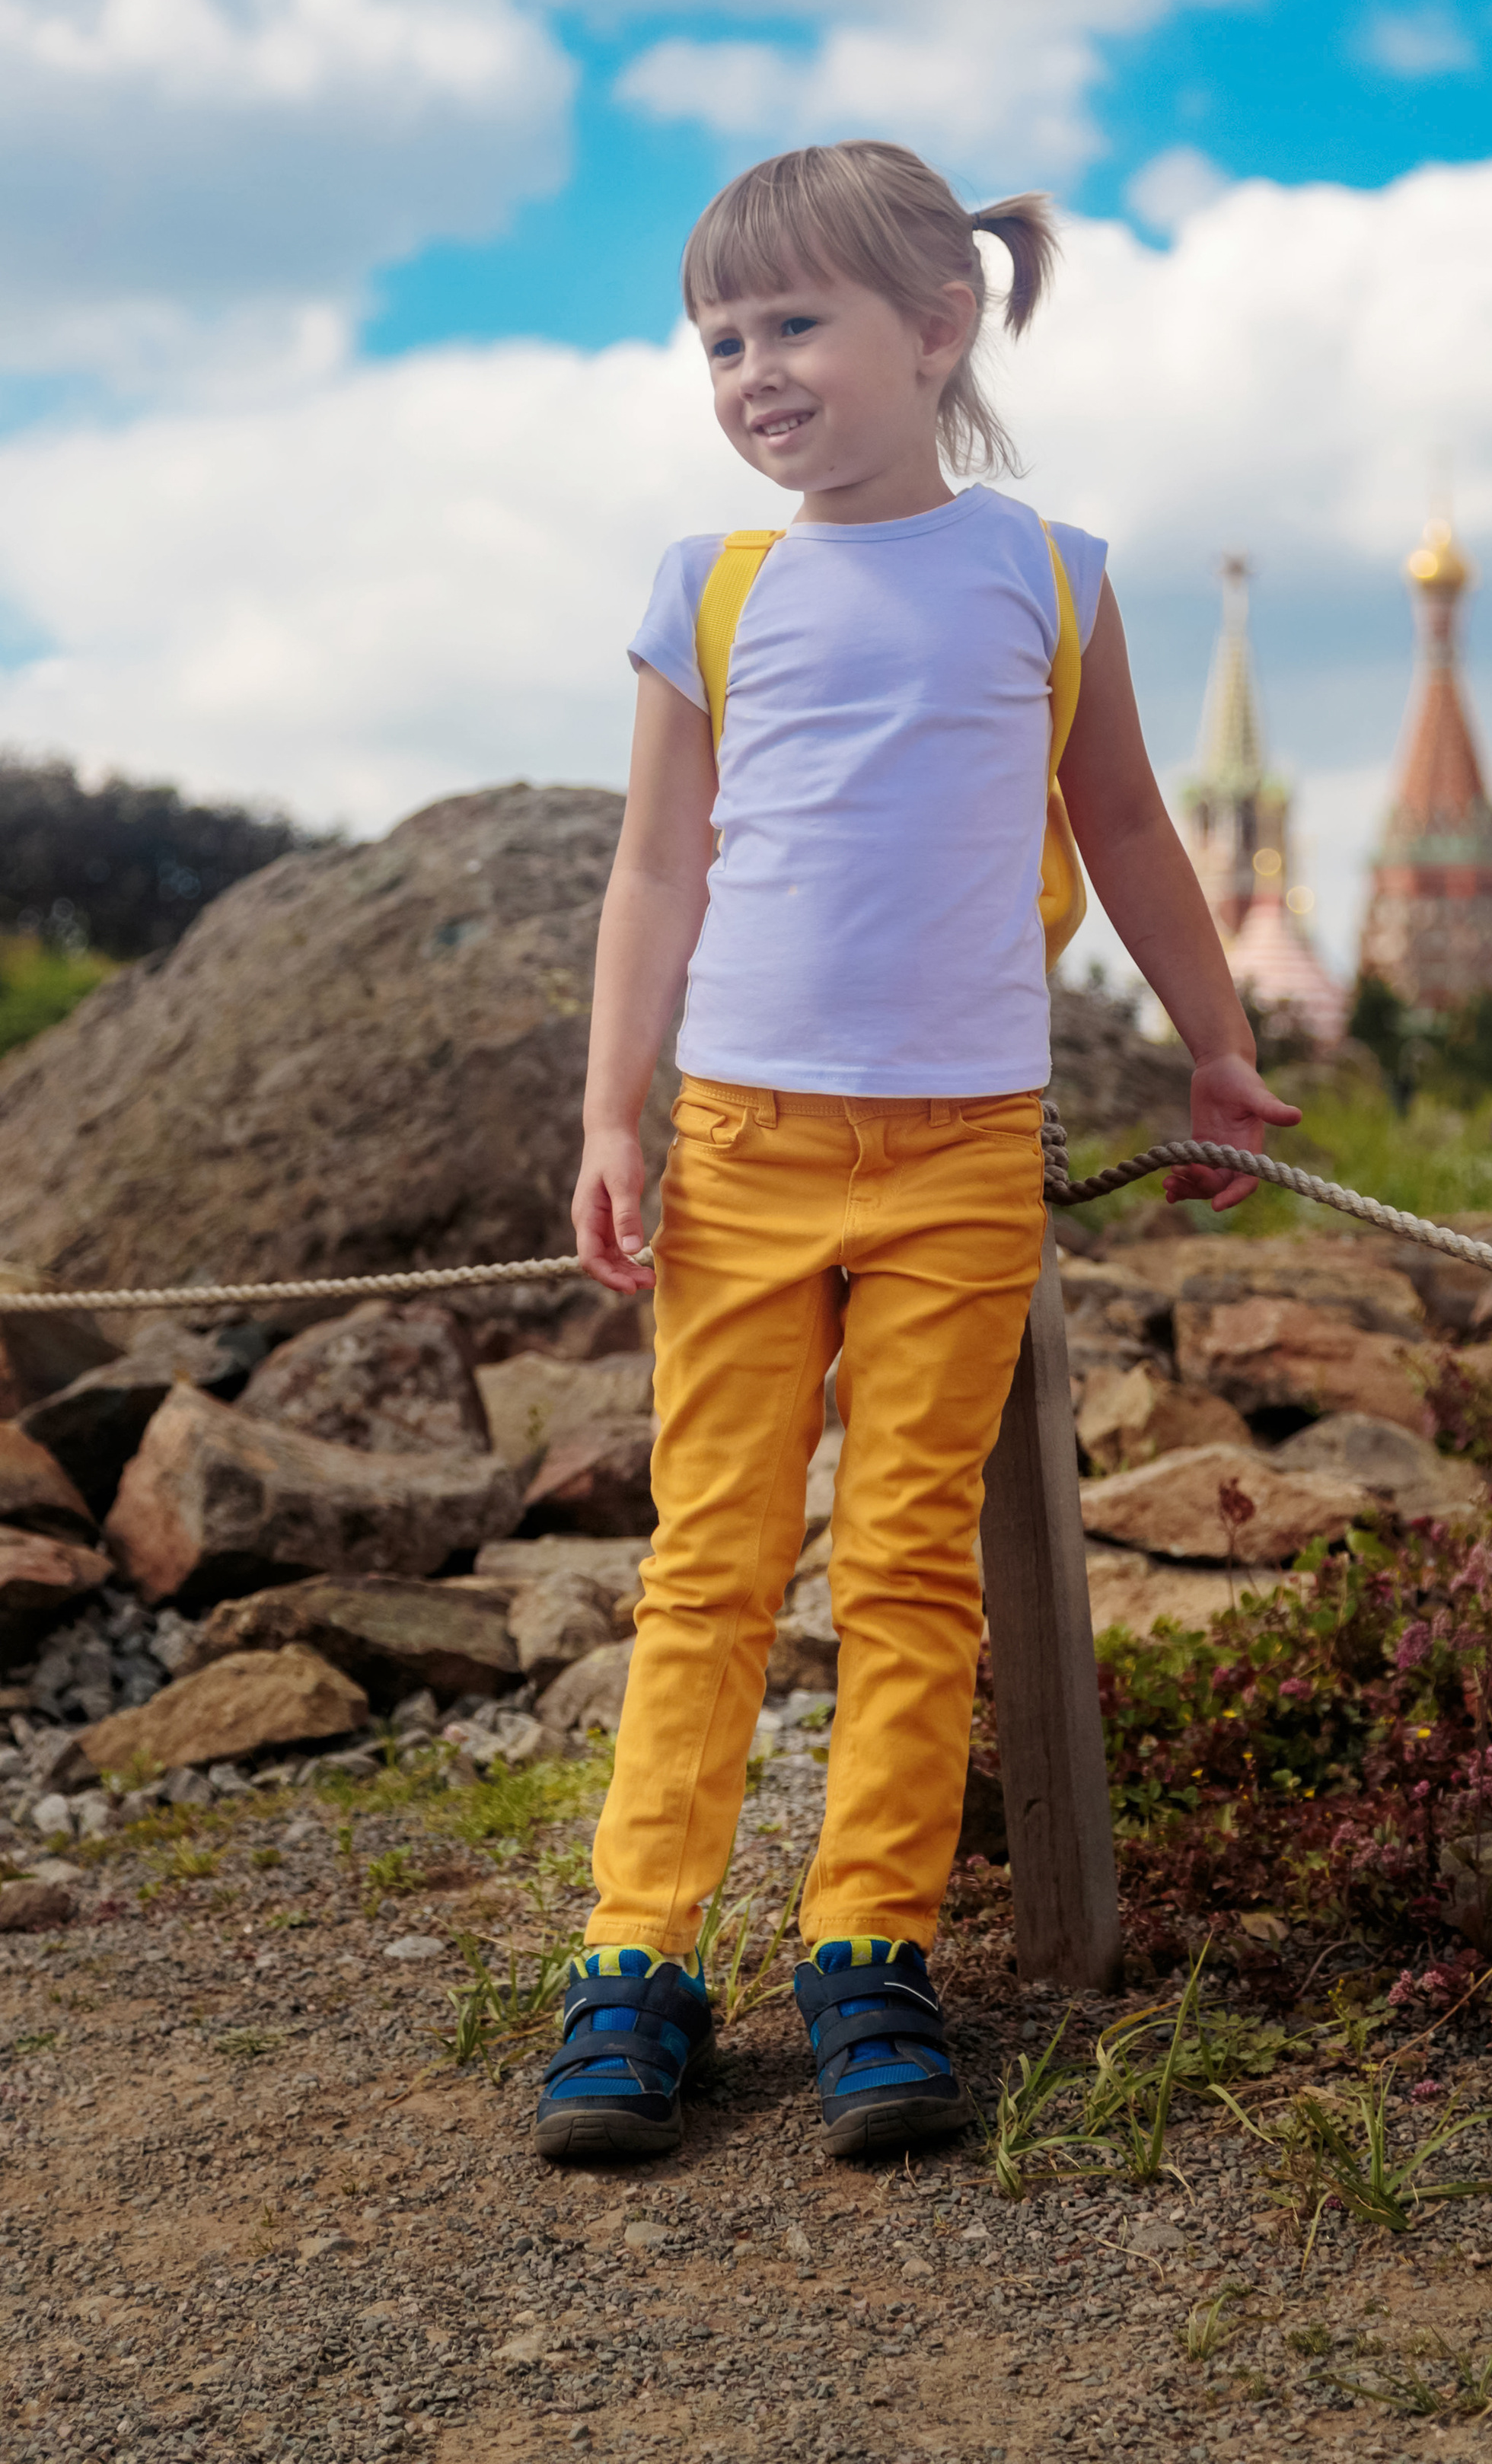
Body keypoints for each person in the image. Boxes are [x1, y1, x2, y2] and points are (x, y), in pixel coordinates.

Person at [536, 139, 1296, 2166]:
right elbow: (656, 865)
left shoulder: (1050, 578)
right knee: (710, 1564)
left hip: (967, 1152)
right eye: (720, 337)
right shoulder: (712, 587)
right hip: (747, 1141)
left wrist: (1218, 1050)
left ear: (935, 328)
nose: (754, 370)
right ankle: (636, 1966)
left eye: (796, 324)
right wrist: (614, 1111)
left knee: (903, 1567)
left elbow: (1132, 830)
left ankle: (866, 1946)